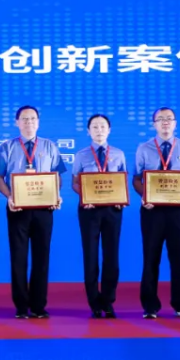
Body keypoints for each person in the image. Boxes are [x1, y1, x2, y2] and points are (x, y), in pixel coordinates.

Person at [0, 105, 66, 319]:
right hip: (17, 209)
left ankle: (38, 306)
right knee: (18, 257)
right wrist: (10, 197)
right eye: (24, 119)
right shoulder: (7, 147)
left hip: (44, 209)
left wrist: (55, 195)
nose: (29, 122)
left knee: (41, 257)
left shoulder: (49, 146)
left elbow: (57, 175)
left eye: (33, 118)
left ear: (38, 122)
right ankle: (21, 306)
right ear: (17, 122)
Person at [133, 107, 180, 320]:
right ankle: (150, 305)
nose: (165, 122)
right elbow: (136, 178)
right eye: (160, 119)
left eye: (169, 119)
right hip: (152, 210)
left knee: (178, 258)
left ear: (175, 123)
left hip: (179, 210)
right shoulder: (143, 148)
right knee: (150, 258)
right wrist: (145, 196)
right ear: (154, 124)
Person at [71, 114, 127, 319]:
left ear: (109, 130)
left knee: (112, 255)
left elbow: (122, 181)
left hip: (113, 210)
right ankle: (94, 302)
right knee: (91, 255)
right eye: (94, 126)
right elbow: (75, 183)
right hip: (89, 210)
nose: (99, 130)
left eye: (103, 126)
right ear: (88, 131)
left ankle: (108, 301)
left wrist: (121, 198)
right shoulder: (81, 155)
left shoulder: (119, 154)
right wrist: (85, 196)